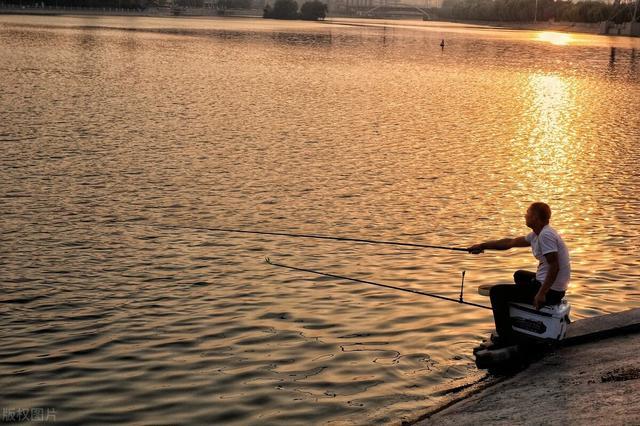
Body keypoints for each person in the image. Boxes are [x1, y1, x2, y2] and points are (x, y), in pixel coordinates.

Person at [468, 202, 571, 345]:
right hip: (552, 287)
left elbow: (555, 267)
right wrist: (482, 246)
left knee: (497, 293)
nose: (525, 215)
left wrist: (541, 293)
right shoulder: (537, 234)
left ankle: (505, 337)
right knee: (519, 275)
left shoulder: (545, 235)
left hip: (551, 291)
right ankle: (523, 319)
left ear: (535, 217)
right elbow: (510, 243)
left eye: (528, 213)